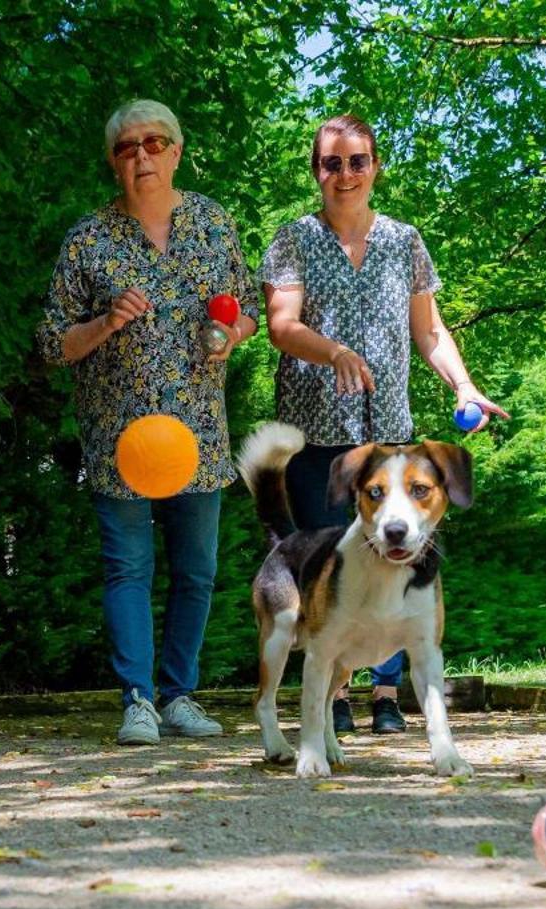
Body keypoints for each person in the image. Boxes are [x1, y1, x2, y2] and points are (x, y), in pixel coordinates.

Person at [261, 113, 506, 738]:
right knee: (331, 575)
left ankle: (388, 694)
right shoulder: (292, 240)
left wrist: (464, 385)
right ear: (317, 171)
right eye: (331, 163)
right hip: (316, 437)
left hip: (387, 435)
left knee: (400, 557)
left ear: (375, 167)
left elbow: (429, 332)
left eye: (357, 161)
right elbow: (282, 327)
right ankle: (333, 696)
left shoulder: (405, 241)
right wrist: (335, 351)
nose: (345, 174)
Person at [39, 99, 260, 746]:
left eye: (154, 143)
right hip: (120, 436)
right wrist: (105, 322)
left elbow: (247, 309)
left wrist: (232, 334)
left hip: (198, 432)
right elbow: (51, 345)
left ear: (177, 151)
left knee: (196, 571)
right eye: (128, 147)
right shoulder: (88, 240)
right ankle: (137, 700)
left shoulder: (214, 224)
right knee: (128, 571)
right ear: (113, 163)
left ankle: (179, 695)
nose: (142, 155)